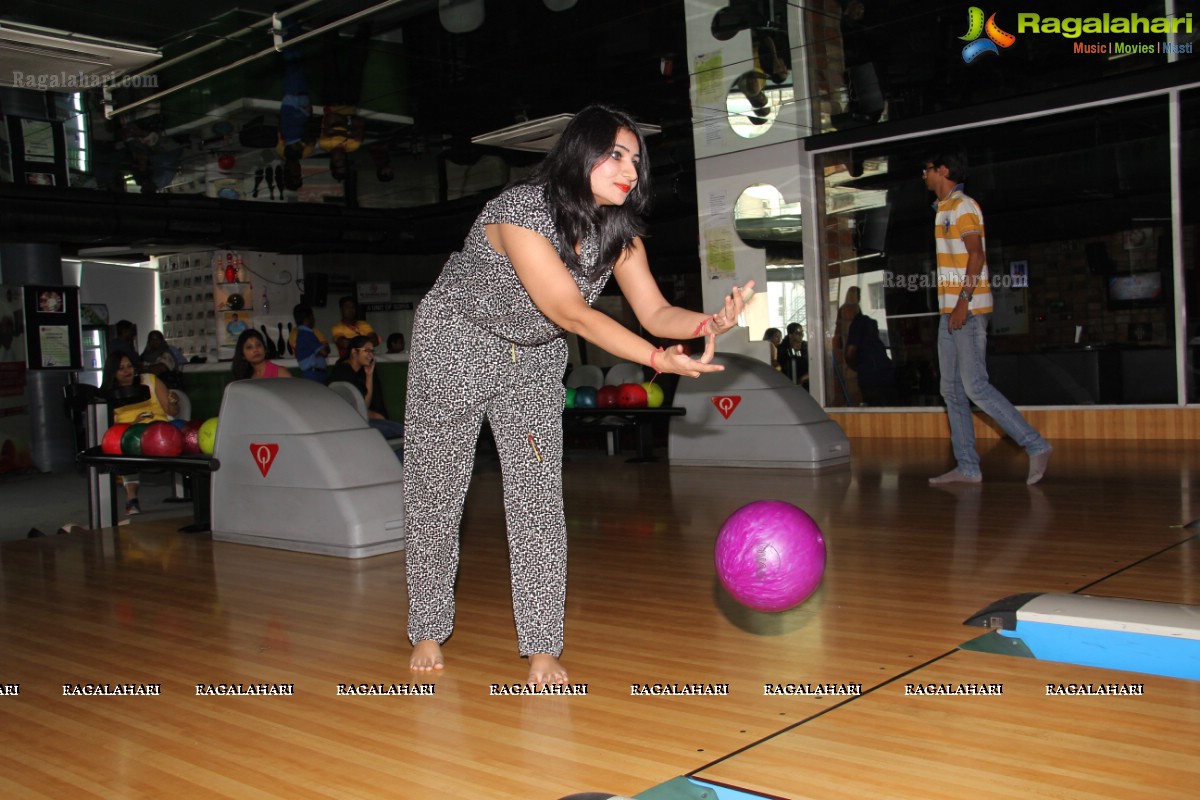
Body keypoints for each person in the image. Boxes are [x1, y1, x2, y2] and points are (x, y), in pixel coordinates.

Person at [404, 104, 753, 688]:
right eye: (615, 155)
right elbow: (571, 311)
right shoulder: (520, 210)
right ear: (578, 153)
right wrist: (653, 359)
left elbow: (656, 311)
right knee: (436, 488)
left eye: (636, 161)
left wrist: (709, 323)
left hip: (534, 354)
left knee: (537, 497)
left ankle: (542, 646)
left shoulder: (620, 235)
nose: (629, 171)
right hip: (456, 339)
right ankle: (427, 627)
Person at [924, 149, 1051, 485]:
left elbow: (976, 255)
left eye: (928, 169)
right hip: (950, 311)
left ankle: (1035, 444)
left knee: (975, 387)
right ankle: (967, 466)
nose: (923, 175)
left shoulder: (963, 206)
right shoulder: (945, 209)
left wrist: (964, 301)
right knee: (950, 390)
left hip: (968, 309)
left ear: (943, 170)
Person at [102, 353, 180, 515]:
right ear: (112, 372)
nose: (127, 371)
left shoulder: (150, 380)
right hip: (128, 433)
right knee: (123, 442)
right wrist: (133, 423)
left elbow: (172, 411)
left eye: (129, 366)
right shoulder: (108, 394)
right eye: (121, 368)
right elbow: (109, 427)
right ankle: (132, 499)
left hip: (158, 430)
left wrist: (173, 401)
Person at [328, 335, 404, 440]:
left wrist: (369, 375)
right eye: (367, 351)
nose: (371, 355)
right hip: (349, 424)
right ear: (354, 352)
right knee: (401, 432)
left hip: (359, 420)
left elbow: (364, 404)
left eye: (372, 351)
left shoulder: (358, 372)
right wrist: (373, 415)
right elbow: (356, 410)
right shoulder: (343, 372)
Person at [845, 309, 895, 405]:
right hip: (875, 380)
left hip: (879, 379)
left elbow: (850, 353)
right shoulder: (860, 323)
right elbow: (850, 353)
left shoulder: (862, 324)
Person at [290, 304, 330, 382]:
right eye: (312, 316)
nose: (314, 319)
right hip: (313, 374)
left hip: (312, 373)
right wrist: (324, 347)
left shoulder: (301, 333)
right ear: (307, 319)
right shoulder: (307, 334)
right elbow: (324, 352)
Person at [779, 322, 809, 389]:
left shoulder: (806, 346)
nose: (801, 335)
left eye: (802, 333)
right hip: (787, 384)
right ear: (790, 335)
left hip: (805, 384)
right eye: (798, 333)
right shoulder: (782, 348)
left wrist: (804, 377)